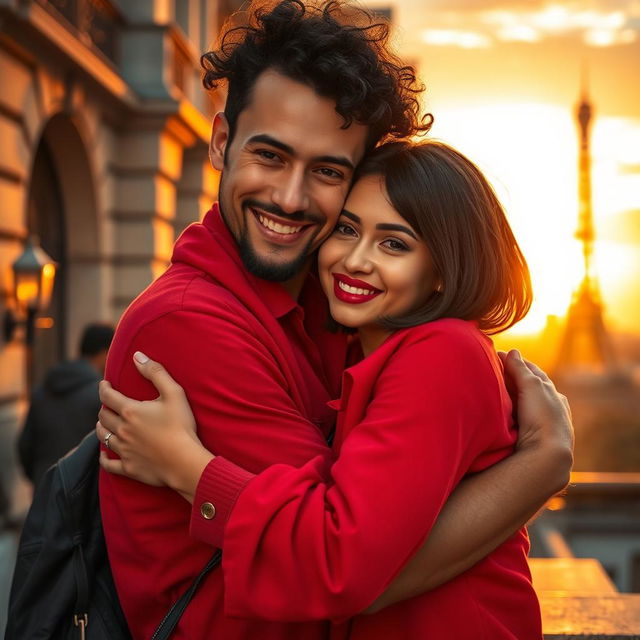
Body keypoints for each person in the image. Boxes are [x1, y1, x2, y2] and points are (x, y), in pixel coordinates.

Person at [98, 1, 573, 638]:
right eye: (269, 156)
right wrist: (536, 468)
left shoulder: (343, 316)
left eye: (326, 172)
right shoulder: (188, 325)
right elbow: (333, 558)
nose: (291, 199)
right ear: (220, 142)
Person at [17, 322, 114, 487]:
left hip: (44, 486)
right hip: (81, 491)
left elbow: (24, 445)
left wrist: (40, 477)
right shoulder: (101, 395)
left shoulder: (42, 391)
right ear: (105, 352)